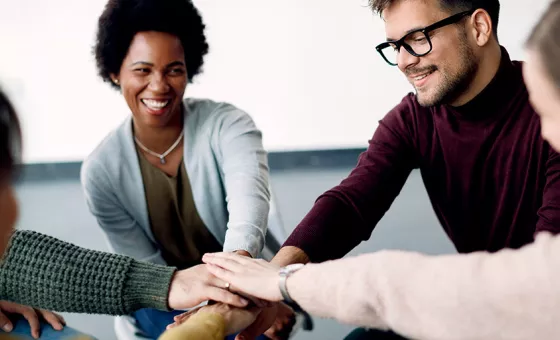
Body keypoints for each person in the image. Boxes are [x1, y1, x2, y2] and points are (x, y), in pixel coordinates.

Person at [186, 5, 560, 339]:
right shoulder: (415, 118)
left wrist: (285, 284)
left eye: (417, 39)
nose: (403, 61)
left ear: (479, 27)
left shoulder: (552, 113)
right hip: (488, 302)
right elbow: (351, 203)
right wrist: (268, 281)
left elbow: (535, 288)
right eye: (395, 45)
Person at [81, 0, 277, 338]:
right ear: (115, 71)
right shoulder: (101, 172)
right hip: (166, 298)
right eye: (142, 70)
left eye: (174, 69)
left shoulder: (229, 125)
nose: (158, 86)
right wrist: (195, 307)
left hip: (244, 285)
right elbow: (146, 270)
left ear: (190, 69)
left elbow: (249, 212)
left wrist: (230, 297)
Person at [0, 89, 252, 339]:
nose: (158, 85)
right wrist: (213, 318)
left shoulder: (223, 123)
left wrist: (246, 284)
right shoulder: (102, 166)